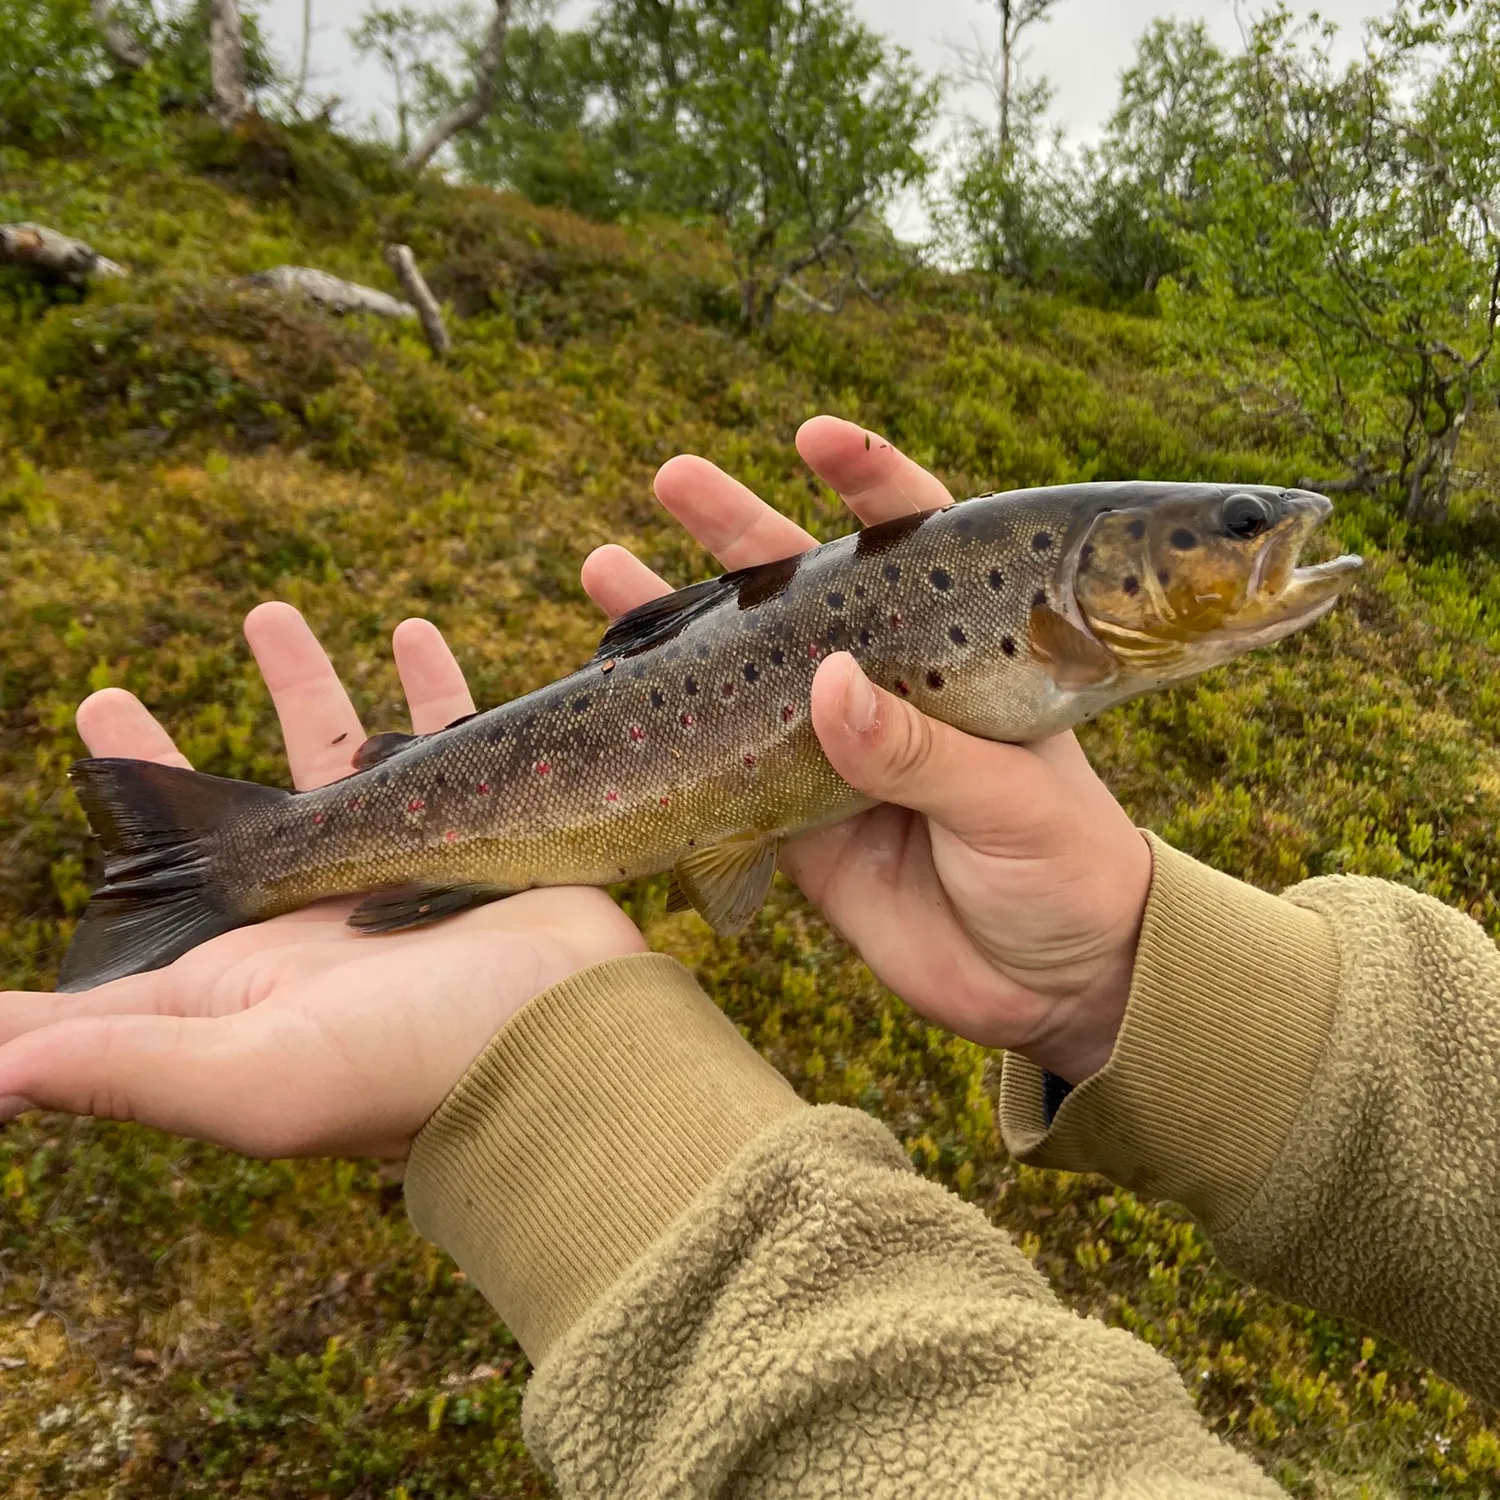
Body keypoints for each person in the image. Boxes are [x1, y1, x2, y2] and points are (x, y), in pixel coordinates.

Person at [1, 416, 1496, 1498]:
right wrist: (1116, 970)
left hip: (654, 799)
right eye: (1234, 530)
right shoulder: (1031, 617)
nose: (1264, 542)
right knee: (393, 819)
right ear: (1101, 573)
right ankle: (225, 858)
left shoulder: (1040, 626)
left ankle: (237, 854)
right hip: (553, 787)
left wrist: (1113, 970)